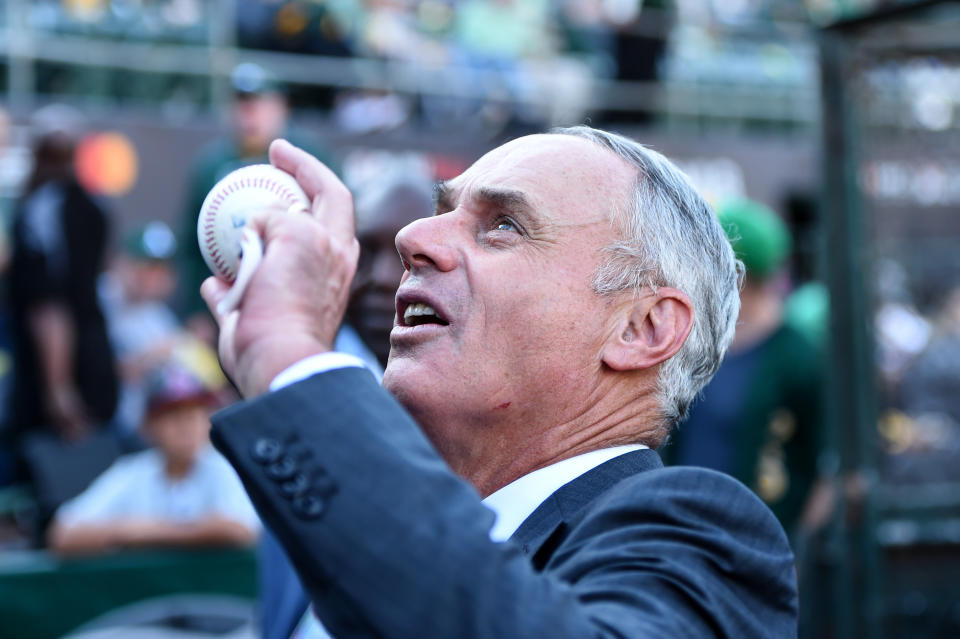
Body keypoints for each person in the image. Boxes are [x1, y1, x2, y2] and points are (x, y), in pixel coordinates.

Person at [202, 128, 797, 637]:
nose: (414, 238)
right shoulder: (361, 526)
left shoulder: (699, 539)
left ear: (642, 328)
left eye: (502, 225)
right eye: (443, 211)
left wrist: (293, 365)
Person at [257, 167, 434, 639]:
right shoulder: (303, 373)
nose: (379, 279)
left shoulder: (474, 409)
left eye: (403, 256)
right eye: (366, 249)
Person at [661, 197, 823, 534]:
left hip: (753, 543)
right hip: (684, 531)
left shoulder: (796, 355)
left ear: (735, 273)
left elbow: (826, 467)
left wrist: (792, 547)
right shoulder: (695, 341)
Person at [176, 63, 337, 343]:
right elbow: (192, 245)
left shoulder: (309, 156)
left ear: (281, 107)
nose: (249, 115)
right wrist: (196, 311)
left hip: (298, 301)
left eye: (259, 104)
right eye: (242, 105)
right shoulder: (210, 164)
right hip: (229, 299)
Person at [47, 357, 259, 556]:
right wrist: (134, 530)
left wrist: (142, 532)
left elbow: (238, 529)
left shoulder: (226, 466)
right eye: (173, 415)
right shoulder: (132, 472)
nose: (186, 426)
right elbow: (63, 534)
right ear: (149, 425)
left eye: (193, 414)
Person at [6, 106, 118, 445]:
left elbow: (50, 309)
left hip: (59, 383)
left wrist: (58, 388)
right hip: (94, 365)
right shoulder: (95, 206)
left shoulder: (40, 210)